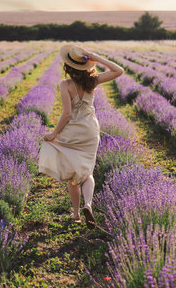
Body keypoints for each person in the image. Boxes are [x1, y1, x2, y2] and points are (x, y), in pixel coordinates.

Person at [38, 44, 124, 229]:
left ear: (68, 67)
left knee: (72, 175)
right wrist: (96, 57)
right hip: (90, 131)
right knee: (87, 172)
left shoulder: (65, 85)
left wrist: (54, 133)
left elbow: (67, 114)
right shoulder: (92, 82)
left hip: (72, 131)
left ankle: (76, 213)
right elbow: (119, 70)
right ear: (86, 65)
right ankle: (88, 204)